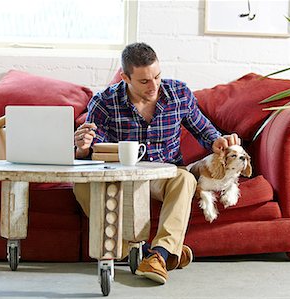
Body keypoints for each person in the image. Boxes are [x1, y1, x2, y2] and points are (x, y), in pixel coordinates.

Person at [73, 42, 240, 284]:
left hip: (165, 174)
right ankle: (144, 251)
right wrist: (83, 147)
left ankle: (159, 255)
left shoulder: (178, 94)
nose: (154, 86)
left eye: (157, 77)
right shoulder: (105, 102)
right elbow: (93, 151)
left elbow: (206, 132)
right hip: (123, 176)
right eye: (144, 81)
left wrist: (218, 141)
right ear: (125, 77)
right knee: (81, 186)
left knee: (186, 179)